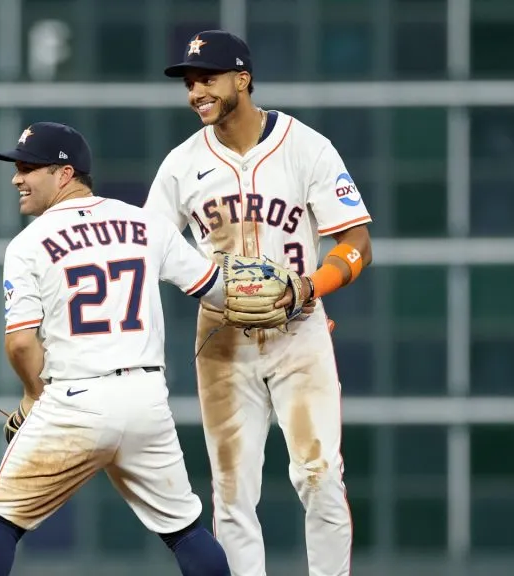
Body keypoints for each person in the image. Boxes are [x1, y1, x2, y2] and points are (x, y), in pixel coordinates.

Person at [144, 30, 374, 576]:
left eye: (207, 78)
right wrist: (200, 281)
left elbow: (357, 241)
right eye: (190, 82)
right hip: (221, 338)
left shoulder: (304, 146)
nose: (195, 90)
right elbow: (146, 249)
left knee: (319, 475)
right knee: (231, 491)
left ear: (242, 80)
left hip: (299, 329)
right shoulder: (180, 165)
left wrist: (310, 286)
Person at [0, 121, 232, 576]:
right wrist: (292, 297)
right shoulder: (147, 224)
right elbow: (216, 289)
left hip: (75, 401)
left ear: (64, 174)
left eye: (28, 167)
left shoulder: (28, 244)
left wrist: (31, 395)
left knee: (2, 523)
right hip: (146, 400)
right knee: (186, 531)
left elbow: (21, 342)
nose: (16, 178)